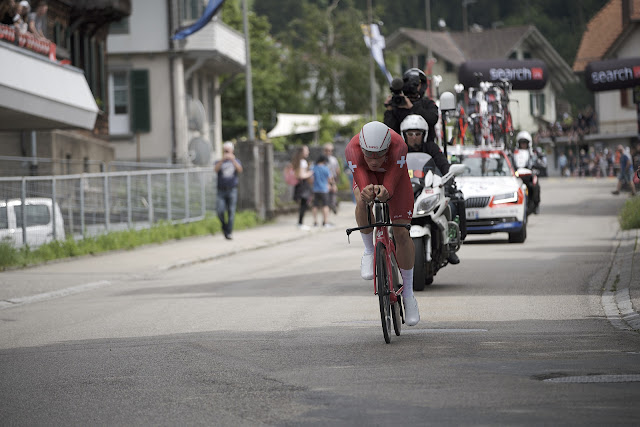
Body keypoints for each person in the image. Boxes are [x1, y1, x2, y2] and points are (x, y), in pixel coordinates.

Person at [345, 121, 420, 326]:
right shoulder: (352, 149)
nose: (374, 159)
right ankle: (369, 250)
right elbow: (362, 179)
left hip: (395, 175)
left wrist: (386, 190)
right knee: (362, 198)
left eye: (379, 154)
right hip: (366, 176)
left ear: (388, 147)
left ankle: (409, 294)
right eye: (369, 154)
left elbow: (392, 183)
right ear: (362, 148)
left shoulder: (400, 146)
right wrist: (368, 192)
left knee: (401, 233)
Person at [399, 114, 461, 264]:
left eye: (418, 134)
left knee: (451, 205)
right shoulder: (399, 150)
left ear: (424, 135)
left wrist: (449, 177)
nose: (414, 137)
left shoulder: (431, 147)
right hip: (405, 191)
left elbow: (442, 163)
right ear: (404, 135)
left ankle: (449, 245)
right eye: (410, 134)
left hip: (427, 188)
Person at [383, 68, 439, 147]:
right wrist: (389, 109)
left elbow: (433, 119)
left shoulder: (427, 103)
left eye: (418, 84)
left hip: (426, 149)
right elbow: (389, 131)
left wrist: (412, 107)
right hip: (402, 150)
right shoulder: (398, 103)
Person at [214, 141, 243, 240]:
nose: (226, 152)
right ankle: (224, 227)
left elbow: (240, 170)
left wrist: (233, 160)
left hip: (232, 189)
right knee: (220, 211)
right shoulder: (219, 161)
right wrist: (222, 159)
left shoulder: (236, 160)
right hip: (221, 190)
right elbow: (215, 169)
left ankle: (229, 232)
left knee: (231, 211)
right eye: (225, 150)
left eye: (228, 150)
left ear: (232, 150)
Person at [513, 131, 541, 213]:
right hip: (517, 175)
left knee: (536, 185)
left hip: (529, 175)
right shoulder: (514, 153)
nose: (523, 144)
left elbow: (537, 162)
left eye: (525, 143)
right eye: (522, 143)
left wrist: (535, 168)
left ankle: (536, 204)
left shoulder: (532, 153)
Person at [291, 145, 313, 230]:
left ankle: (300, 222)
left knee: (302, 204)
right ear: (302, 152)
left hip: (299, 185)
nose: (308, 152)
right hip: (303, 185)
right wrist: (310, 173)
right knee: (304, 204)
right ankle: (300, 223)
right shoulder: (303, 162)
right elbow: (301, 175)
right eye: (306, 150)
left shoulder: (297, 161)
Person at [311, 155, 333, 228]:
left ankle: (315, 222)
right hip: (324, 189)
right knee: (325, 205)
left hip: (315, 189)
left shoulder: (314, 167)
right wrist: (330, 185)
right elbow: (330, 179)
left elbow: (311, 179)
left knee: (315, 205)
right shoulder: (326, 169)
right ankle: (325, 222)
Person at [323, 142, 341, 214]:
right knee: (327, 195)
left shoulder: (334, 159)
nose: (329, 152)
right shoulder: (322, 159)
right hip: (324, 180)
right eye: (327, 150)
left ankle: (332, 205)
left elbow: (337, 170)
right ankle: (330, 206)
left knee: (333, 192)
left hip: (332, 179)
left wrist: (336, 180)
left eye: (330, 150)